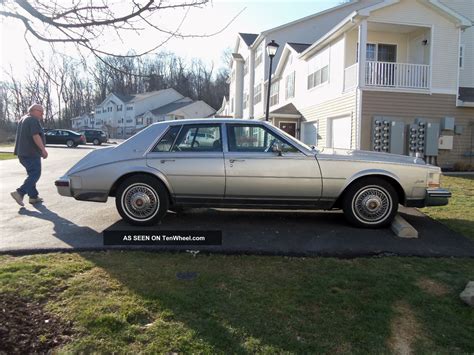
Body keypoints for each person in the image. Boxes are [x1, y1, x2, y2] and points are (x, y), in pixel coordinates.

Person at [10, 104, 48, 206]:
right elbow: (35, 135)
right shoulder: (32, 120)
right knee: (35, 174)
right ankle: (20, 193)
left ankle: (33, 197)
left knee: (31, 174)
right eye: (41, 112)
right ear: (34, 110)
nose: (42, 114)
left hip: (22, 153)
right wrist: (43, 150)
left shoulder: (23, 119)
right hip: (31, 153)